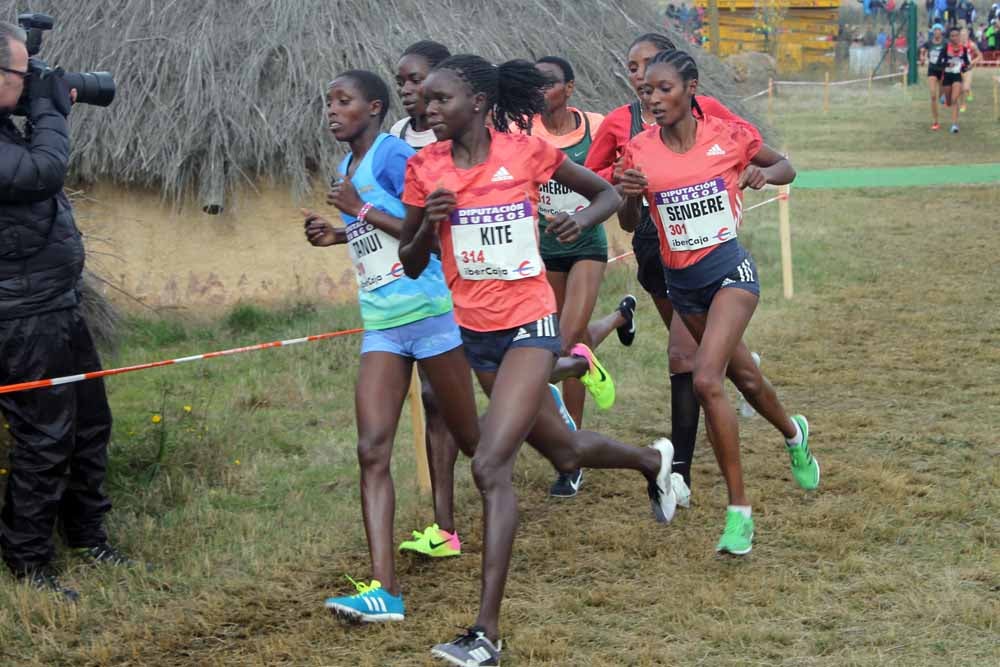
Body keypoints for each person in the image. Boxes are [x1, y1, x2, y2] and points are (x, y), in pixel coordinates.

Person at [399, 54, 677, 666]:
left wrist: (579, 221)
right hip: (477, 337)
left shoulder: (524, 151)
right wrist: (428, 228)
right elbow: (414, 260)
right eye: (427, 100)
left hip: (530, 325)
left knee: (491, 466)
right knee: (565, 450)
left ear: (476, 101)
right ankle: (654, 462)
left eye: (441, 99)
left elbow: (602, 193)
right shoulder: (425, 167)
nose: (429, 108)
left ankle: (485, 635)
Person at [619, 48, 820, 557]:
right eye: (647, 91)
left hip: (731, 273)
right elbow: (627, 221)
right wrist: (627, 195)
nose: (655, 98)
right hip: (682, 284)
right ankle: (794, 433)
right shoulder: (639, 151)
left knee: (707, 379)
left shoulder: (728, 137)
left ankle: (739, 515)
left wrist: (762, 175)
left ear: (691, 88)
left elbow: (787, 168)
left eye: (665, 89)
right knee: (745, 379)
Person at [303, 70, 475, 622]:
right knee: (371, 448)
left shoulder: (394, 155)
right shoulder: (344, 167)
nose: (332, 111)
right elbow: (375, 234)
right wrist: (337, 233)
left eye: (344, 101)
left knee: (478, 445)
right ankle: (384, 590)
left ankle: (569, 431)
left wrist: (357, 209)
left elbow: (425, 230)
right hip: (381, 326)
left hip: (433, 317)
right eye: (328, 103)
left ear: (373, 108)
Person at [584, 32, 762, 505]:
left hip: (708, 250)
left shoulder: (707, 113)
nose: (639, 76)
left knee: (685, 359)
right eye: (632, 67)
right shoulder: (622, 125)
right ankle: (739, 369)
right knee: (697, 358)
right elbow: (599, 177)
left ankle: (678, 472)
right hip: (652, 246)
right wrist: (623, 187)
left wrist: (756, 171)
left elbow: (750, 150)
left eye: (647, 66)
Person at [0, 22, 132, 602]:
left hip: (54, 301)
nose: (33, 82)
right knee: (42, 436)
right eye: (23, 73)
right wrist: (53, 108)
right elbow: (40, 173)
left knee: (90, 422)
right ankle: (28, 562)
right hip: (19, 315)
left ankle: (87, 534)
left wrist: (35, 101)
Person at [386, 39, 468, 560]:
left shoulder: (466, 136)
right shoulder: (395, 141)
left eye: (417, 80)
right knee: (436, 402)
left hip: (473, 281)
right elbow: (395, 219)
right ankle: (445, 527)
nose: (410, 91)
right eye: (402, 83)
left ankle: (564, 372)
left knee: (497, 387)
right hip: (420, 283)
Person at [528, 55, 617, 496]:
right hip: (546, 250)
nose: (540, 91)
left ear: (569, 88)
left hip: (587, 246)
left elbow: (613, 174)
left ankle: (572, 456)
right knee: (556, 347)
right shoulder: (524, 133)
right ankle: (615, 326)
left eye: (548, 83)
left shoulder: (595, 125)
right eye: (534, 84)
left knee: (565, 341)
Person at [938, 26, 971, 132]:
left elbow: (966, 65)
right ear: (950, 37)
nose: (955, 37)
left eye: (957, 35)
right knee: (948, 102)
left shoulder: (964, 49)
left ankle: (954, 125)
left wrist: (967, 67)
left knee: (954, 99)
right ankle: (944, 97)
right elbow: (939, 63)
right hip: (947, 76)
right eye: (952, 36)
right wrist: (948, 63)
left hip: (957, 76)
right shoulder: (945, 48)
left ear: (959, 36)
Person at [921, 24, 947, 130]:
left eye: (938, 30)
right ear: (933, 32)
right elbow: (923, 49)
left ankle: (943, 95)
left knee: (941, 95)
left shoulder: (945, 43)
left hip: (943, 71)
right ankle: (936, 121)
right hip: (932, 70)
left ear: (941, 32)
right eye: (935, 30)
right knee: (933, 96)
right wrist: (922, 56)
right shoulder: (929, 42)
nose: (937, 32)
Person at [959, 27, 982, 110]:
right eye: (961, 35)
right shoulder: (956, 44)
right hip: (958, 68)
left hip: (968, 68)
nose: (963, 36)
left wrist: (972, 62)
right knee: (961, 88)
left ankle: (968, 91)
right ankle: (962, 104)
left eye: (965, 35)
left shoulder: (971, 45)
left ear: (968, 35)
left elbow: (980, 56)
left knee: (965, 87)